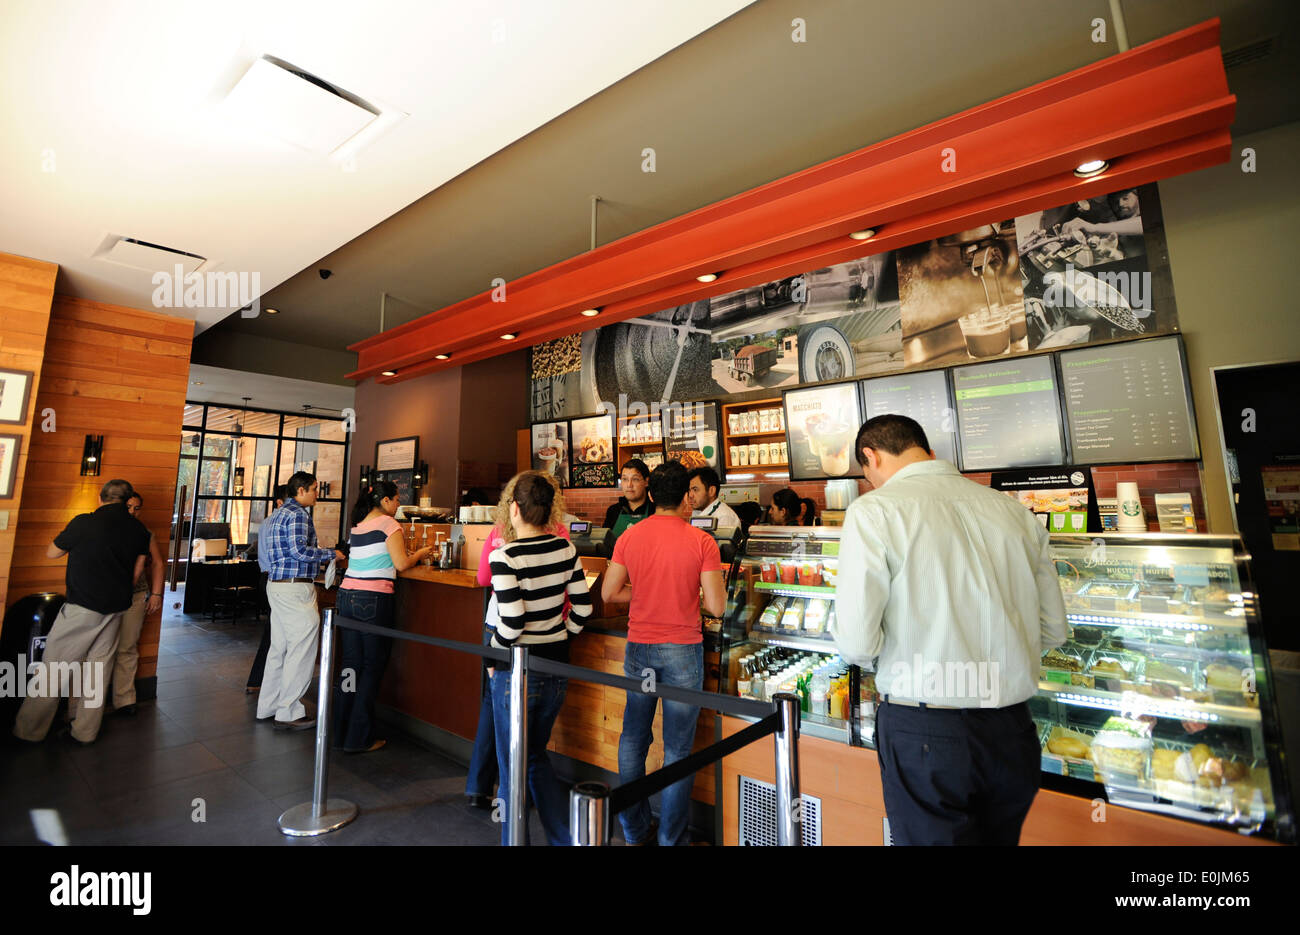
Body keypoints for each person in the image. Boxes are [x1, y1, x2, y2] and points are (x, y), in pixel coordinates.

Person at [829, 414, 1068, 845]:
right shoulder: (1013, 510)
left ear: (871, 456)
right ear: (927, 451)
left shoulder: (875, 511)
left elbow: (857, 643)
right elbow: (1052, 630)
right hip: (1012, 730)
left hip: (926, 733)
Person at [601, 461, 726, 845]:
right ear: (687, 497)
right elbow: (718, 608)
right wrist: (691, 595)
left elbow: (608, 594)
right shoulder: (703, 541)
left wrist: (646, 592)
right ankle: (672, 838)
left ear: (652, 495)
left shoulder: (630, 536)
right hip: (683, 651)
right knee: (677, 750)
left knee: (633, 740)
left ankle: (635, 830)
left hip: (639, 647)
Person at [487, 472, 592, 845]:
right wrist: (563, 635)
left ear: (514, 509)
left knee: (513, 764)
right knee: (532, 756)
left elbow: (512, 622)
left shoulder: (505, 556)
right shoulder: (566, 549)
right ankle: (565, 836)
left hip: (516, 671)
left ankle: (518, 840)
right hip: (556, 666)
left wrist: (492, 654)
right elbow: (583, 607)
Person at [13, 479, 150, 745]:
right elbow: (136, 573)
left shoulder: (84, 522)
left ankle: (29, 732)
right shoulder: (138, 530)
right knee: (98, 671)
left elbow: (52, 552)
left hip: (81, 607)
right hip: (116, 610)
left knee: (55, 668)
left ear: (101, 499)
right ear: (127, 501)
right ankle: (85, 732)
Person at [466, 473, 572, 808]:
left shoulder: (499, 533)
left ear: (513, 505)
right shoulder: (561, 536)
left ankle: (481, 788)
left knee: (494, 709)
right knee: (531, 735)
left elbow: (484, 578)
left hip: (497, 627)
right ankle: (517, 797)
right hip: (545, 636)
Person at [332, 480, 431, 753]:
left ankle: (340, 732)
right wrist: (421, 554)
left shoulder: (358, 525)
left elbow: (365, 561)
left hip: (348, 595)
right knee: (372, 668)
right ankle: (359, 738)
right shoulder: (389, 525)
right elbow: (400, 564)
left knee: (351, 666)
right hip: (373, 599)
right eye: (397, 499)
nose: (399, 505)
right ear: (385, 501)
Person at [258, 471, 344, 730]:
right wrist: (332, 553)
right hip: (296, 589)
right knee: (302, 649)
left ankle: (268, 705)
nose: (319, 493)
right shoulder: (298, 514)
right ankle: (289, 711)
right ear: (301, 490)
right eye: (315, 488)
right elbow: (298, 551)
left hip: (276, 586)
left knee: (279, 648)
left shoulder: (277, 515)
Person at [112, 492, 165, 715]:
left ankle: (124, 699)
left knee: (128, 647)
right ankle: (88, 702)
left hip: (135, 596)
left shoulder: (145, 533)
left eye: (137, 508)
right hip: (107, 596)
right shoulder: (108, 530)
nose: (133, 512)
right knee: (100, 650)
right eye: (129, 507)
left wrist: (156, 594)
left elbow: (158, 564)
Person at [246, 485, 288, 693]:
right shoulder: (278, 523)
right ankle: (260, 681)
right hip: (276, 580)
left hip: (266, 578)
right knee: (274, 633)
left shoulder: (267, 522)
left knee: (274, 632)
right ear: (280, 502)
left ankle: (261, 680)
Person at [601, 458, 652, 557]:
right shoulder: (613, 511)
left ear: (646, 482)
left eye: (635, 479)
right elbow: (605, 545)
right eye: (625, 479)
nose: (629, 485)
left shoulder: (655, 510)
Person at [687, 466, 741, 530]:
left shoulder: (724, 516)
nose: (690, 495)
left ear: (711, 491)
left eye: (695, 490)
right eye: (689, 490)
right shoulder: (697, 512)